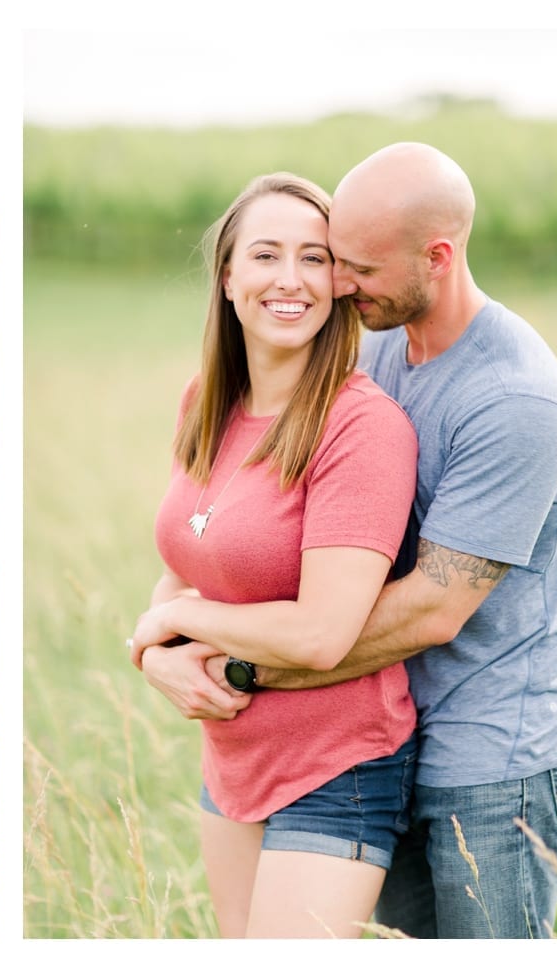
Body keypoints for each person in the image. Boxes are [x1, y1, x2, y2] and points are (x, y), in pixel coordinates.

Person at [141, 142, 557, 939]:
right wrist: (160, 648)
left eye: (352, 265)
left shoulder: (516, 400)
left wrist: (232, 664)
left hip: (496, 748)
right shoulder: (381, 344)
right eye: (337, 261)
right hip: (393, 725)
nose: (338, 285)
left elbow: (430, 609)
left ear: (438, 256)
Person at [127, 172, 420, 938]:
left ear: (339, 282)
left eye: (314, 258)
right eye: (265, 255)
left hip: (336, 766)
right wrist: (151, 652)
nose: (290, 280)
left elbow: (323, 633)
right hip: (233, 757)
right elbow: (189, 558)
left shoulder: (361, 428)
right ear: (228, 278)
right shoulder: (207, 401)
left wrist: (182, 620)